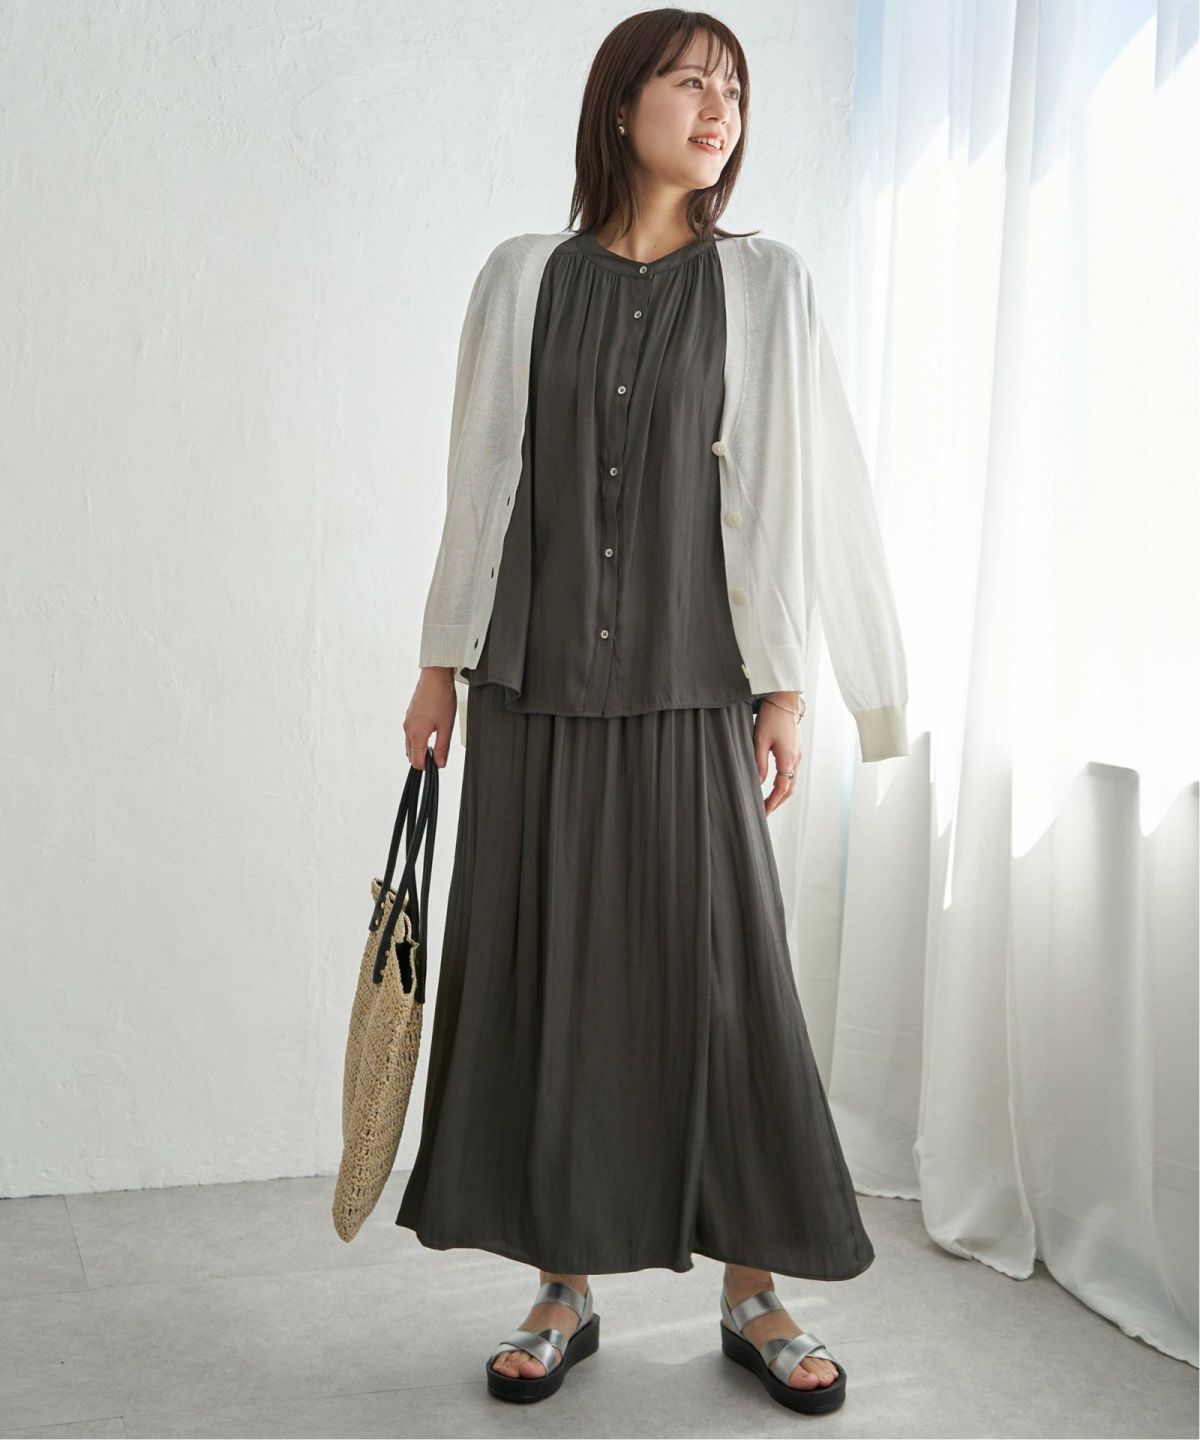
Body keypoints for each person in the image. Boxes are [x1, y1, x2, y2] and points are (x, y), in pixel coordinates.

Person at [395, 9, 909, 1417]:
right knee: (550, 981)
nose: (718, 105)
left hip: (698, 684)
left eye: (734, 87)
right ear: (621, 104)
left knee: (727, 988)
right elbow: (478, 483)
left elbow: (804, 485)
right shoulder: (522, 277)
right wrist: (438, 663)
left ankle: (755, 1291)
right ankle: (561, 1287)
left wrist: (797, 686)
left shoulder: (766, 284)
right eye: (690, 80)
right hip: (533, 685)